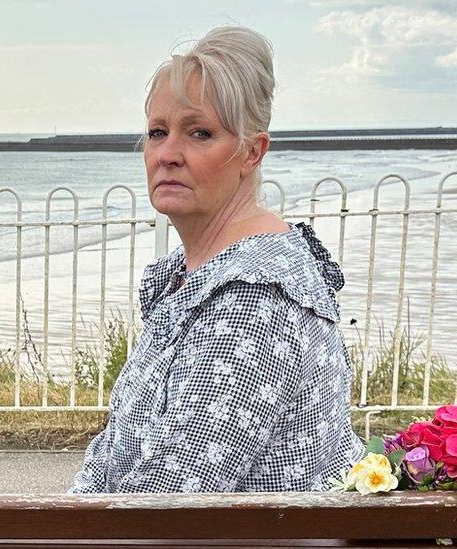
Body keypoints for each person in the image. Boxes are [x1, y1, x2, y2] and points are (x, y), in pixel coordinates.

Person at [70, 26, 364, 493]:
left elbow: (174, 496)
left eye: (199, 133)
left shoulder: (254, 299)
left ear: (252, 151)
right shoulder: (204, 276)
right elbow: (116, 460)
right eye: (157, 132)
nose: (167, 155)